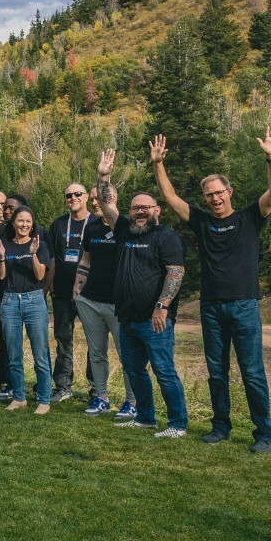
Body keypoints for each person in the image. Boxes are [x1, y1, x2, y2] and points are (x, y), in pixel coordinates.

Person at [152, 127, 271, 452]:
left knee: (252, 373)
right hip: (210, 309)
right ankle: (220, 427)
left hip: (245, 307)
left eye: (218, 192)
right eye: (209, 194)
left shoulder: (251, 217)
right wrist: (158, 164)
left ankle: (264, 434)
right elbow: (169, 198)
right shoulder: (202, 222)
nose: (214, 198)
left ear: (229, 191)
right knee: (216, 373)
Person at [97, 150, 188, 438]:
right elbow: (106, 203)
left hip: (155, 320)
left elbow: (175, 272)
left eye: (145, 208)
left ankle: (177, 424)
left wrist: (162, 306)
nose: (139, 212)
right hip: (127, 318)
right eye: (135, 208)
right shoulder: (124, 229)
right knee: (135, 371)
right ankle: (146, 418)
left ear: (157, 210)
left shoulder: (166, 237)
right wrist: (103, 177)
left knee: (164, 371)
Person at [71, 158, 137, 418]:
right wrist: (78, 288)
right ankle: (101, 397)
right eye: (94, 199)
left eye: (100, 198)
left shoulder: (127, 226)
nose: (96, 202)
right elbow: (85, 259)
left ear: (111, 199)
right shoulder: (92, 227)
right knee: (96, 353)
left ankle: (133, 401)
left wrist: (104, 177)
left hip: (118, 303)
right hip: (90, 301)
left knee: (127, 354)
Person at [0, 205, 54, 414]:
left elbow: (39, 276)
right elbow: (0, 277)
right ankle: (19, 397)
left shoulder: (41, 245)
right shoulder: (5, 245)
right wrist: (2, 256)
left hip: (34, 300)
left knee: (40, 353)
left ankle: (44, 399)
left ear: (33, 224)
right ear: (13, 223)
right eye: (20, 221)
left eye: (28, 221)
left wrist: (33, 255)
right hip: (9, 301)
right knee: (13, 353)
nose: (24, 225)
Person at [48, 182, 101, 403]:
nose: (73, 198)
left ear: (86, 196)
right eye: (68, 195)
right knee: (63, 340)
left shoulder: (98, 222)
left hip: (91, 293)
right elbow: (51, 257)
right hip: (61, 293)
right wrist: (49, 286)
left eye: (77, 194)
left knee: (95, 343)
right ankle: (62, 387)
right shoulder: (59, 224)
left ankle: (97, 389)